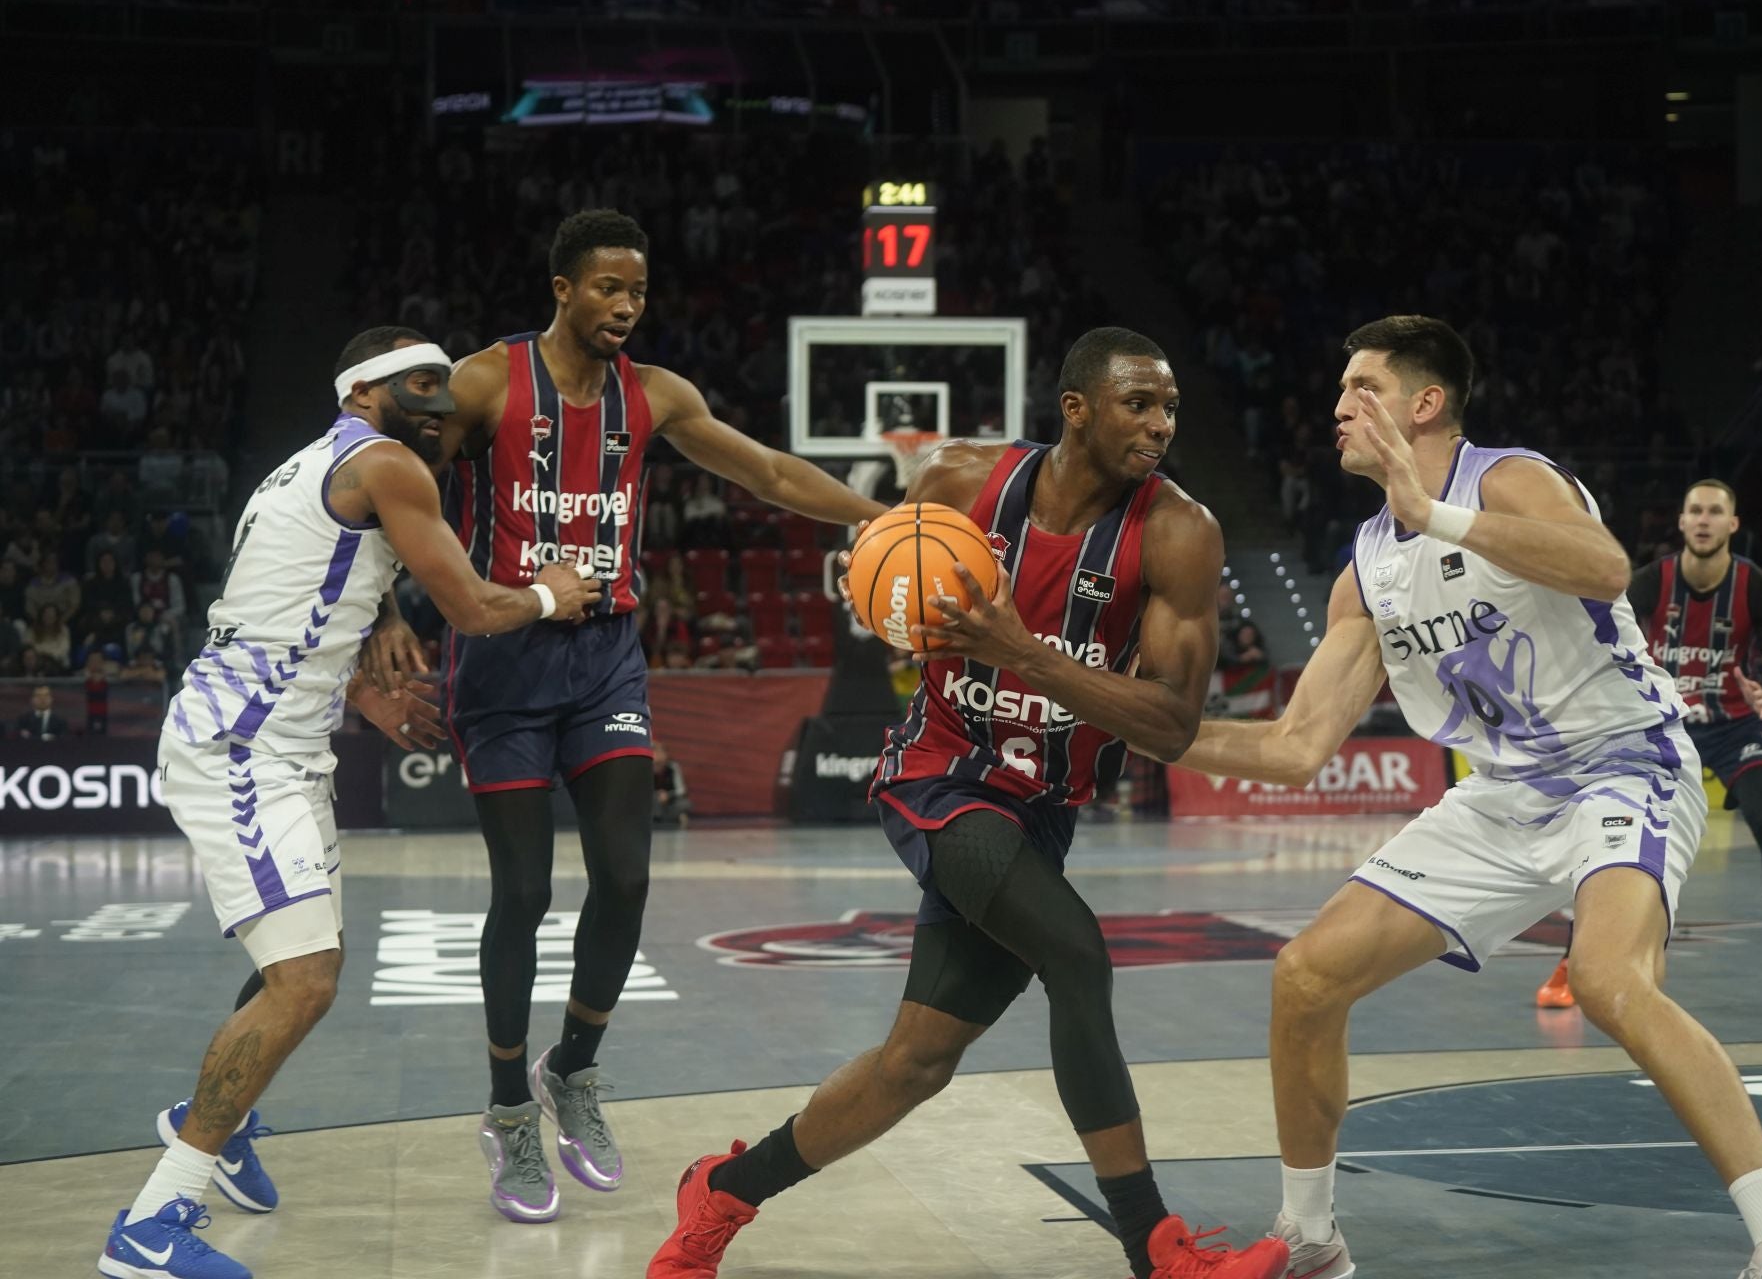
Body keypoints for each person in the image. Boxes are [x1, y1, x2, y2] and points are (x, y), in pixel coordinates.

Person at [1167, 317, 1762, 1279]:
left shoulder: (1504, 476)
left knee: (1609, 983)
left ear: (1424, 403)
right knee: (1306, 977)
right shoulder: (1365, 566)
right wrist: (1139, 728)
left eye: (1361, 386)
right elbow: (1296, 746)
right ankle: (1311, 1239)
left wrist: (1434, 512)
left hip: (1624, 762)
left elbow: (1606, 566)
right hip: (1504, 794)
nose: (1337, 406)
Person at [649, 328, 1288, 1279]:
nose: (1160, 425)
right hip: (939, 775)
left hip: (1043, 804)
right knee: (1077, 954)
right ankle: (1157, 1251)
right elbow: (885, 593)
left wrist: (1023, 653)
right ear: (1076, 408)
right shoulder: (956, 480)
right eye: (1138, 405)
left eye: (1169, 408)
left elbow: (1168, 727)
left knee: (915, 1063)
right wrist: (887, 600)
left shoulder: (1177, 531)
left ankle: (725, 1192)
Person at [414, 209, 885, 1223]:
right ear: (562, 288)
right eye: (607, 288)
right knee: (526, 889)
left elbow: (764, 470)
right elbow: (394, 480)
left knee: (627, 873)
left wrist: (876, 516)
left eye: (637, 290)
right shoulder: (486, 381)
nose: (625, 306)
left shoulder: (657, 394)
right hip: (501, 658)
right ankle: (506, 1108)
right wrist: (377, 618)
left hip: (605, 662)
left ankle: (572, 1066)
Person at [97, 328, 599, 1279]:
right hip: (241, 748)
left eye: (448, 386)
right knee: (306, 981)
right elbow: (475, 608)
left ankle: (220, 1121)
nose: (442, 402)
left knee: (307, 959)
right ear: (363, 391)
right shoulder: (385, 465)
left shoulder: (304, 470)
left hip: (281, 739)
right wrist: (551, 593)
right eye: (421, 383)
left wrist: (359, 679)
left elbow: (297, 595)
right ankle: (154, 1221)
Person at [1534, 480, 1762, 1015]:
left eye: (1714, 512)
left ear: (1732, 524)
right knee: (1610, 832)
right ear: (1680, 523)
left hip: (1736, 726)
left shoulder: (1756, 587)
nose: (1703, 520)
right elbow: (1601, 648)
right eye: (1694, 511)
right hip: (1662, 723)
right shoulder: (1651, 582)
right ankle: (1571, 959)